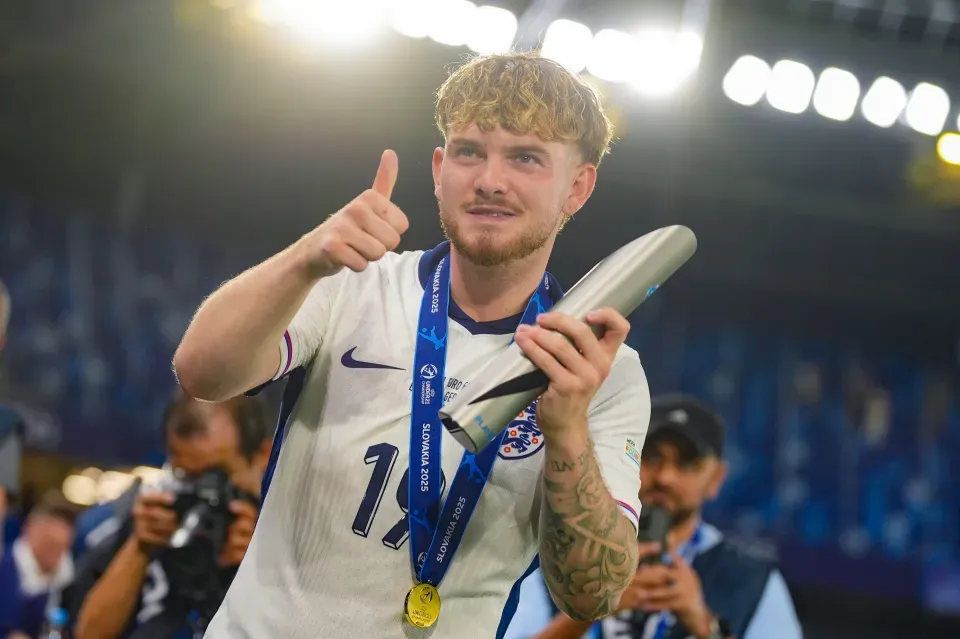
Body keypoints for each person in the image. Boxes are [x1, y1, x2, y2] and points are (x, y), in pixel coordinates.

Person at [172, 50, 652, 638]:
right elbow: (201, 373)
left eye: (525, 158)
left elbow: (592, 595)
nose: (489, 180)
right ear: (438, 169)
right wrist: (304, 257)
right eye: (469, 152)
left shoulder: (602, 371)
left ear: (577, 187)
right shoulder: (350, 281)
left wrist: (568, 428)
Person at [526, 394, 803, 639]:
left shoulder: (751, 579)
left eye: (687, 464)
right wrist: (588, 611)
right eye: (652, 457)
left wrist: (705, 625)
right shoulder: (555, 555)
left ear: (716, 478)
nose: (665, 477)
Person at [66, 391, 271, 639]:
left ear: (263, 455)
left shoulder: (280, 538)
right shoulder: (152, 520)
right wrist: (140, 549)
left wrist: (256, 567)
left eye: (216, 477)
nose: (201, 494)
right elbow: (88, 635)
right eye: (185, 476)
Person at [0, 491, 77, 639]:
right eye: (49, 544)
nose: (54, 556)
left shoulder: (68, 581)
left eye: (60, 549)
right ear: (29, 528)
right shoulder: (4, 565)